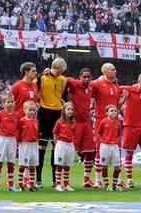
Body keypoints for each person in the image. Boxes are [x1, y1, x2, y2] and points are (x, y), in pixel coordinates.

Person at [37, 57, 68, 188]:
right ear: (55, 66)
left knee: (57, 148)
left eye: (63, 71)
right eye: (61, 70)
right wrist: (41, 74)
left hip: (58, 114)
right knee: (42, 148)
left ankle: (55, 180)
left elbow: (65, 98)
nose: (62, 72)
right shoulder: (42, 78)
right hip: (44, 113)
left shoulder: (64, 80)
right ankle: (38, 179)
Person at [91, 63, 123, 187]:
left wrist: (124, 98)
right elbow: (87, 89)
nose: (115, 71)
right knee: (99, 151)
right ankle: (98, 180)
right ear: (104, 71)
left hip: (114, 122)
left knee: (116, 150)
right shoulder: (97, 84)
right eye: (112, 69)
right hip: (100, 120)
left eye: (114, 69)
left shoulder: (115, 85)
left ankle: (118, 181)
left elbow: (117, 104)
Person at [67, 68, 95, 188]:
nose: (86, 79)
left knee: (91, 152)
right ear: (79, 77)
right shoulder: (73, 83)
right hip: (75, 123)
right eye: (84, 76)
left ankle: (86, 180)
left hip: (86, 123)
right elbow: (62, 79)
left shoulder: (91, 87)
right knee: (69, 151)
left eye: (88, 77)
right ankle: (64, 181)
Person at [0, 93, 20, 192]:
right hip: (2, 139)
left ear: (14, 103)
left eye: (12, 102)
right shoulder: (0, 114)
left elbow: (17, 129)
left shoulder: (17, 115)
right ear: (4, 103)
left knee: (10, 163)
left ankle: (10, 185)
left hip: (12, 140)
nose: (10, 104)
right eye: (8, 102)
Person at [95, 104, 122, 191]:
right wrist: (103, 140)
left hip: (114, 146)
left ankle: (114, 185)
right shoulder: (103, 122)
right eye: (111, 111)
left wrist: (116, 141)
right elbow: (98, 133)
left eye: (115, 111)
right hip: (105, 146)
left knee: (117, 167)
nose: (114, 112)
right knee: (104, 166)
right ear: (107, 113)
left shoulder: (118, 123)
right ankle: (106, 185)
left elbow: (119, 134)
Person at [53, 102, 76, 192]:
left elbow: (74, 133)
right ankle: (58, 184)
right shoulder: (59, 121)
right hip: (61, 143)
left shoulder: (74, 122)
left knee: (67, 165)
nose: (70, 111)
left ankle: (66, 184)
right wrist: (56, 144)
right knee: (59, 165)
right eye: (68, 109)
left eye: (72, 110)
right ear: (64, 110)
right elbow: (55, 133)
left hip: (70, 144)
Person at [17, 100, 39, 191]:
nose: (32, 112)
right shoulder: (22, 121)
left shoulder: (36, 121)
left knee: (32, 165)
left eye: (33, 110)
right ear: (24, 110)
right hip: (25, 144)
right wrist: (18, 145)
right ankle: (20, 184)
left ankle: (32, 184)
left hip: (34, 144)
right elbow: (18, 133)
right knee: (23, 165)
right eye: (30, 110)